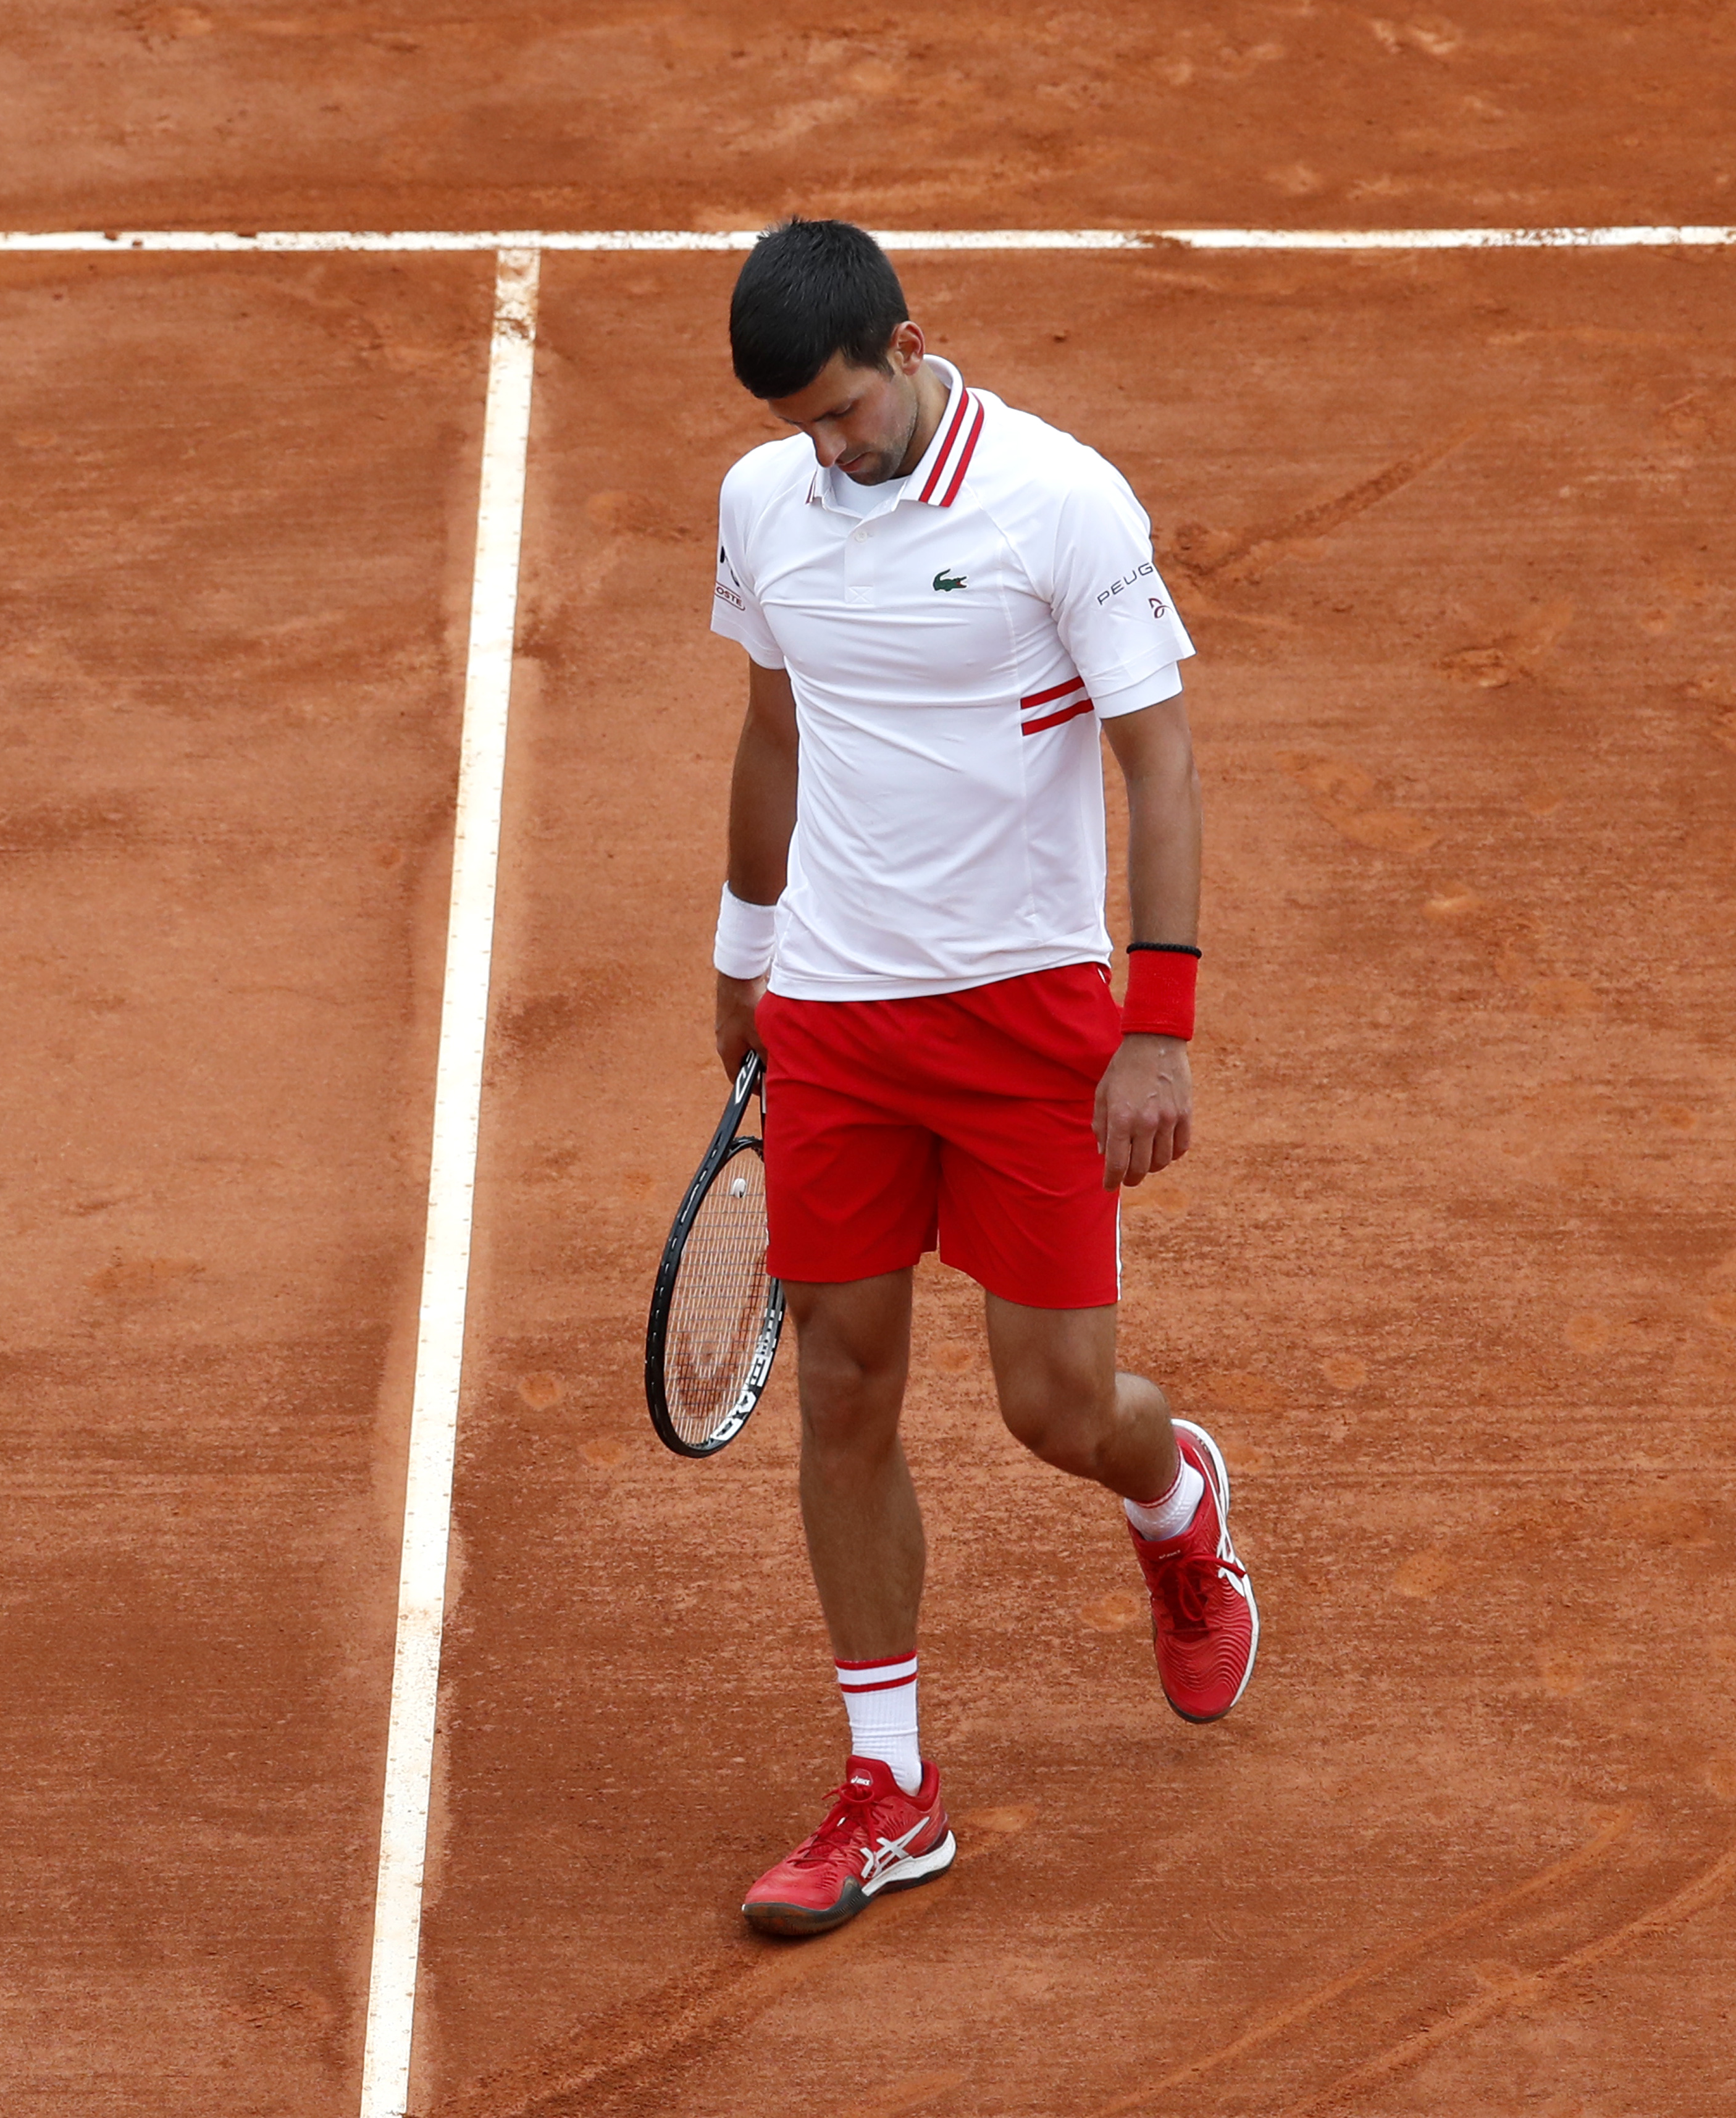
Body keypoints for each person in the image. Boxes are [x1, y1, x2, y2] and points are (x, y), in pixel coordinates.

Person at [705, 217, 1256, 1939]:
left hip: (1026, 1024)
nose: (828, 450)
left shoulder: (1061, 502)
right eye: (799, 425)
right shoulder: (763, 508)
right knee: (845, 1390)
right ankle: (894, 1791)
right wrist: (744, 956)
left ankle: (1176, 1506)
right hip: (842, 1015)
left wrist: (1152, 1026)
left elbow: (1159, 762)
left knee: (1054, 1408)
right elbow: (776, 728)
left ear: (910, 343)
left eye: (845, 412)